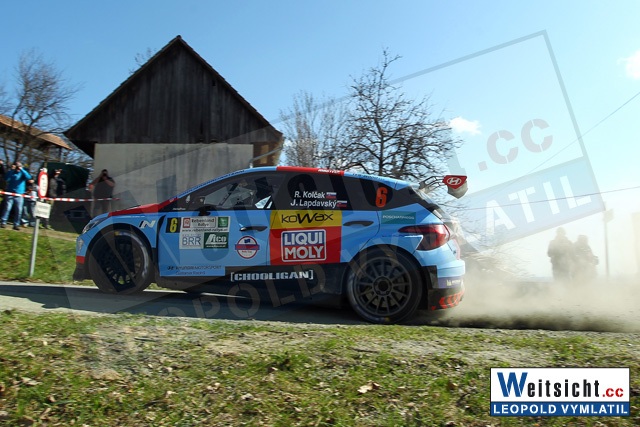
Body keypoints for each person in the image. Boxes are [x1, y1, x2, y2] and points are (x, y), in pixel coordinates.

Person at [0, 161, 33, 230]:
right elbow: (6, 178)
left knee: (19, 210)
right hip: (10, 193)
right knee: (7, 208)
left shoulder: (22, 173)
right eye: (17, 167)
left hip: (19, 194)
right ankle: (3, 222)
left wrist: (22, 169)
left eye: (19, 166)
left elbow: (28, 177)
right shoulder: (11, 172)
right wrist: (12, 170)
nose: (18, 168)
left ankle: (16, 224)